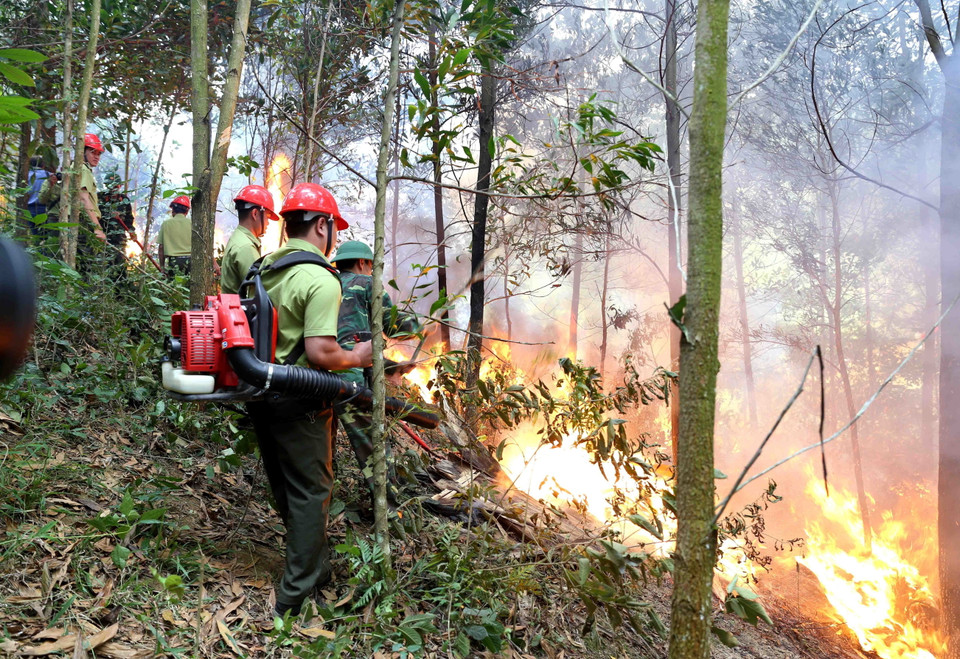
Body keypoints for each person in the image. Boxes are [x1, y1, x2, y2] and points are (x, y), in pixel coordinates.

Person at [245, 182, 372, 619]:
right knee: (311, 492)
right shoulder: (318, 278)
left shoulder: (263, 268)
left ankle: (311, 566)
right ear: (322, 226)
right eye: (332, 227)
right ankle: (293, 598)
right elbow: (321, 352)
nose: (333, 235)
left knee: (286, 485)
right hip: (300, 402)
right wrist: (358, 354)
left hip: (260, 394)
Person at [331, 240, 420, 506]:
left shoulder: (326, 282)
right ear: (362, 263)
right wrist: (421, 325)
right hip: (351, 380)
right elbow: (395, 326)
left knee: (323, 443)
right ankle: (391, 512)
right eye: (371, 266)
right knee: (375, 447)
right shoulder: (368, 284)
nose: (371, 271)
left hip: (317, 374)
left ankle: (328, 501)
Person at [220, 184, 278, 294]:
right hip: (240, 310)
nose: (268, 223)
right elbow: (259, 290)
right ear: (255, 214)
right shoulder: (245, 247)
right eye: (267, 216)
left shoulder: (239, 238)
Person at [98, 172, 136, 273]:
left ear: (120, 186)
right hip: (102, 241)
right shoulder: (99, 198)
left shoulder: (124, 200)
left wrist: (132, 231)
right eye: (110, 185)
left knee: (120, 267)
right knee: (103, 268)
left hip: (119, 241)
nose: (112, 188)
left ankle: (121, 288)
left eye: (115, 186)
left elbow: (129, 219)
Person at [158, 195, 192, 278]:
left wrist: (162, 268)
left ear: (173, 210)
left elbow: (161, 247)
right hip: (191, 262)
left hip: (174, 262)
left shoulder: (166, 224)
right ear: (187, 211)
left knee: (174, 288)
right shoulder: (192, 224)